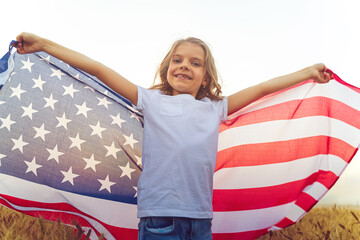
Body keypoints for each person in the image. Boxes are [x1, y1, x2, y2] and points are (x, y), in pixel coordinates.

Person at [14, 32, 332, 240]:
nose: (184, 66)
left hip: (200, 221)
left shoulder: (215, 108)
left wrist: (307, 72)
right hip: (160, 219)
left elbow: (261, 88)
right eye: (177, 60)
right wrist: (44, 45)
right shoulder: (151, 101)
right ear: (167, 67)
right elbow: (99, 70)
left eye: (195, 63)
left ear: (206, 76)